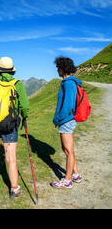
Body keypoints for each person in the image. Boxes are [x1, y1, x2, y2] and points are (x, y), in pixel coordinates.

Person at [0, 57, 30, 199]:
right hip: (10, 126)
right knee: (11, 159)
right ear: (12, 70)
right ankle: (14, 190)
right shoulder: (18, 84)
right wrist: (25, 117)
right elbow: (25, 105)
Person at [51, 57, 82, 188]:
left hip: (66, 120)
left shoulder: (68, 83)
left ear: (63, 68)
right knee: (67, 149)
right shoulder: (68, 82)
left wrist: (58, 118)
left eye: (58, 67)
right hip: (67, 120)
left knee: (68, 150)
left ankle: (67, 180)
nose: (57, 70)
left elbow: (68, 105)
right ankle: (75, 174)